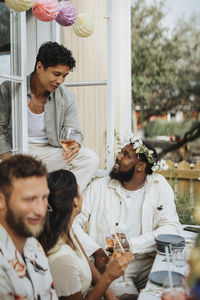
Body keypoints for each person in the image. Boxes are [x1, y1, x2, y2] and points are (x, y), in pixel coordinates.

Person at [74, 135, 182, 299]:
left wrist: (131, 244)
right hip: (112, 265)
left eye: (126, 155)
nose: (118, 157)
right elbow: (72, 223)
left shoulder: (159, 186)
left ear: (140, 166)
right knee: (126, 297)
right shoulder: (98, 187)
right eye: (121, 152)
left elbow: (172, 228)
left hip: (148, 262)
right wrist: (96, 252)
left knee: (178, 287)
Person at [0, 41, 99, 192]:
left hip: (48, 154)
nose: (60, 81)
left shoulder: (66, 97)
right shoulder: (9, 88)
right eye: (57, 74)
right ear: (39, 67)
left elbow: (74, 132)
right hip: (15, 152)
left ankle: (57, 202)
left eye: (64, 76)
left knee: (90, 159)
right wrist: (10, 161)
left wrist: (75, 144)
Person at [39, 169, 132, 300]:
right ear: (75, 202)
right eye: (79, 191)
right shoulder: (62, 259)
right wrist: (108, 276)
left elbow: (88, 265)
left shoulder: (67, 232)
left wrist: (112, 297)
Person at [0, 154, 58, 299]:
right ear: (1, 201)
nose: (40, 211)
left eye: (44, 198)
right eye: (29, 199)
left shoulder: (34, 245)